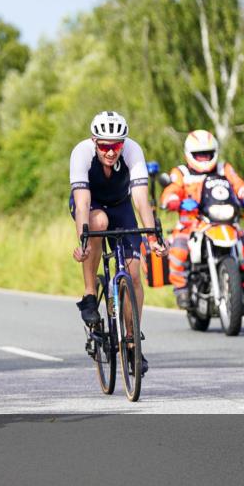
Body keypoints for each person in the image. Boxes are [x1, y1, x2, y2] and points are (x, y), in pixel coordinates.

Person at [70, 111, 165, 375]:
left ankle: (133, 342)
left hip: (121, 205)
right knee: (98, 222)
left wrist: (153, 237)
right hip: (92, 205)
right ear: (94, 141)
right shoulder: (81, 153)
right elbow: (82, 203)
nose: (111, 152)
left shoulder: (133, 150)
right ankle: (90, 293)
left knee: (133, 275)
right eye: (104, 146)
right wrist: (83, 241)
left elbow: (141, 199)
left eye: (116, 146)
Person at [160, 129, 244, 313]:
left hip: (225, 221)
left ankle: (242, 291)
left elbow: (239, 184)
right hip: (191, 224)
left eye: (207, 154)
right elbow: (170, 191)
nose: (204, 158)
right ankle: (181, 289)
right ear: (189, 154)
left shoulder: (224, 169)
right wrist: (174, 200)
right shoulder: (181, 172)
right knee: (179, 247)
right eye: (199, 154)